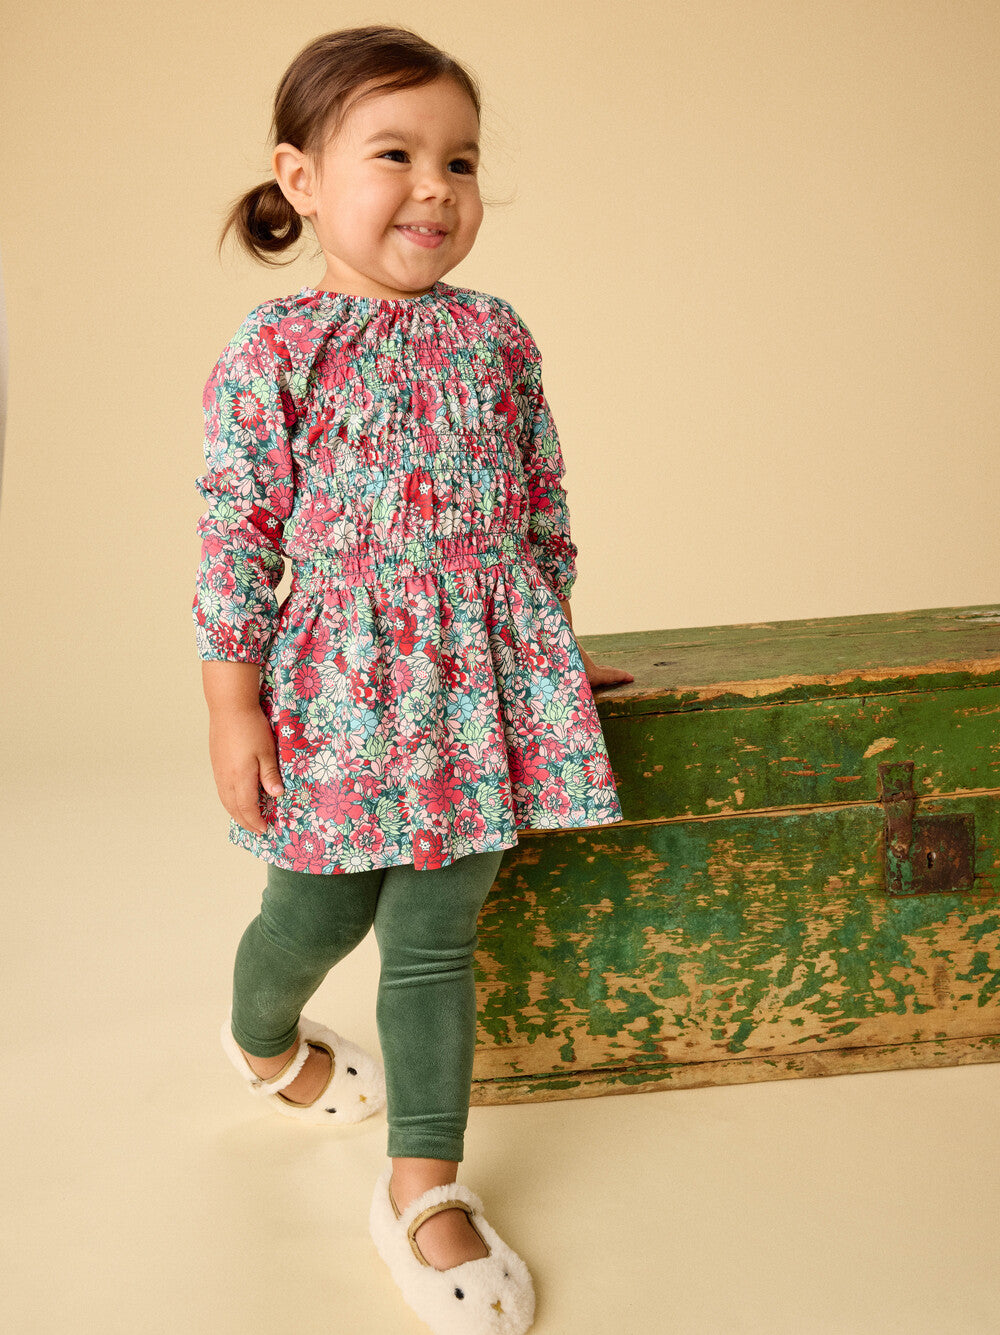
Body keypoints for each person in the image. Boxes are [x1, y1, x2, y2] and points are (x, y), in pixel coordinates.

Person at [192, 24, 633, 1335]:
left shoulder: (497, 336)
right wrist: (230, 701)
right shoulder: (279, 348)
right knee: (314, 916)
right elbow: (236, 534)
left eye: (462, 160)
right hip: (339, 695)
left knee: (436, 939)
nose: (435, 186)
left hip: (479, 696)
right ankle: (261, 1037)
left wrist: (544, 653)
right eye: (396, 155)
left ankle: (422, 1188)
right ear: (302, 178)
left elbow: (540, 506)